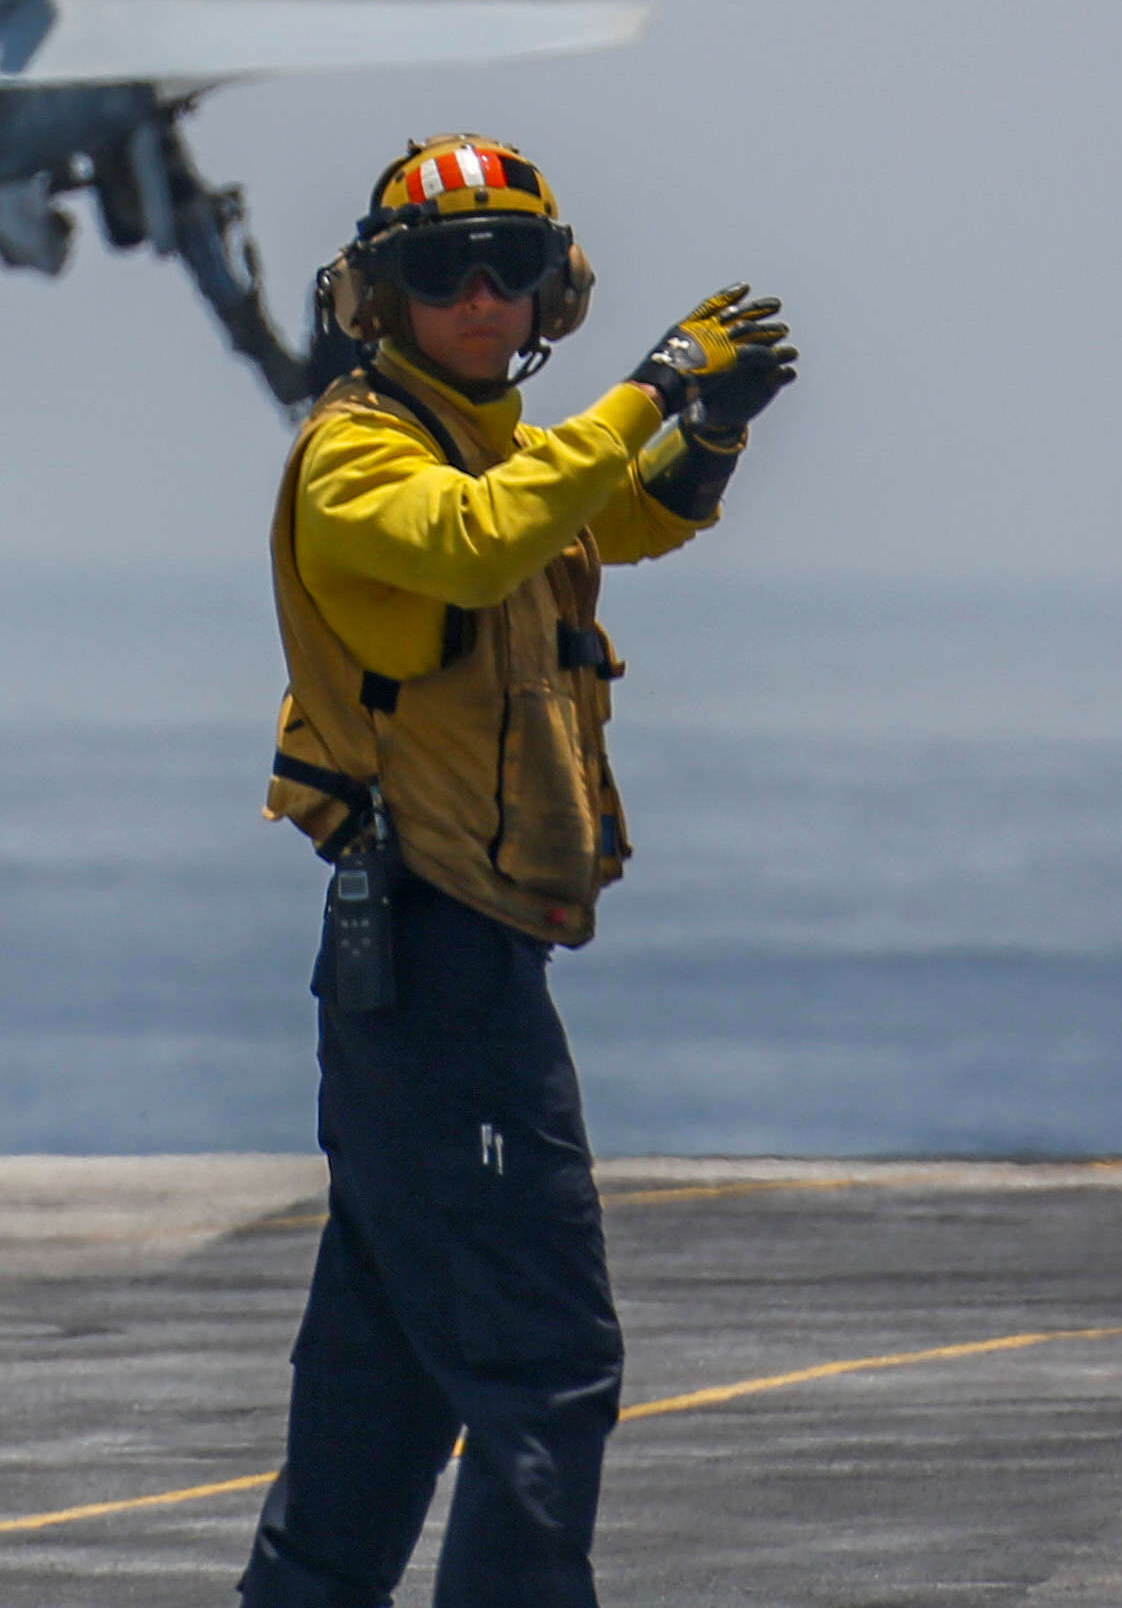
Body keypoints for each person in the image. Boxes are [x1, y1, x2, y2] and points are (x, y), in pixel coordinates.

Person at [239, 135, 797, 1608]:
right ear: (381, 296)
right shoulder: (361, 456)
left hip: (443, 976)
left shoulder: (490, 445)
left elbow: (611, 517)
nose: (481, 295)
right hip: (438, 976)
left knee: (382, 1384)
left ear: (557, 288)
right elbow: (484, 544)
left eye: (513, 267)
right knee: (546, 1364)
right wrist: (652, 385)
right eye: (442, 270)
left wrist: (710, 431)